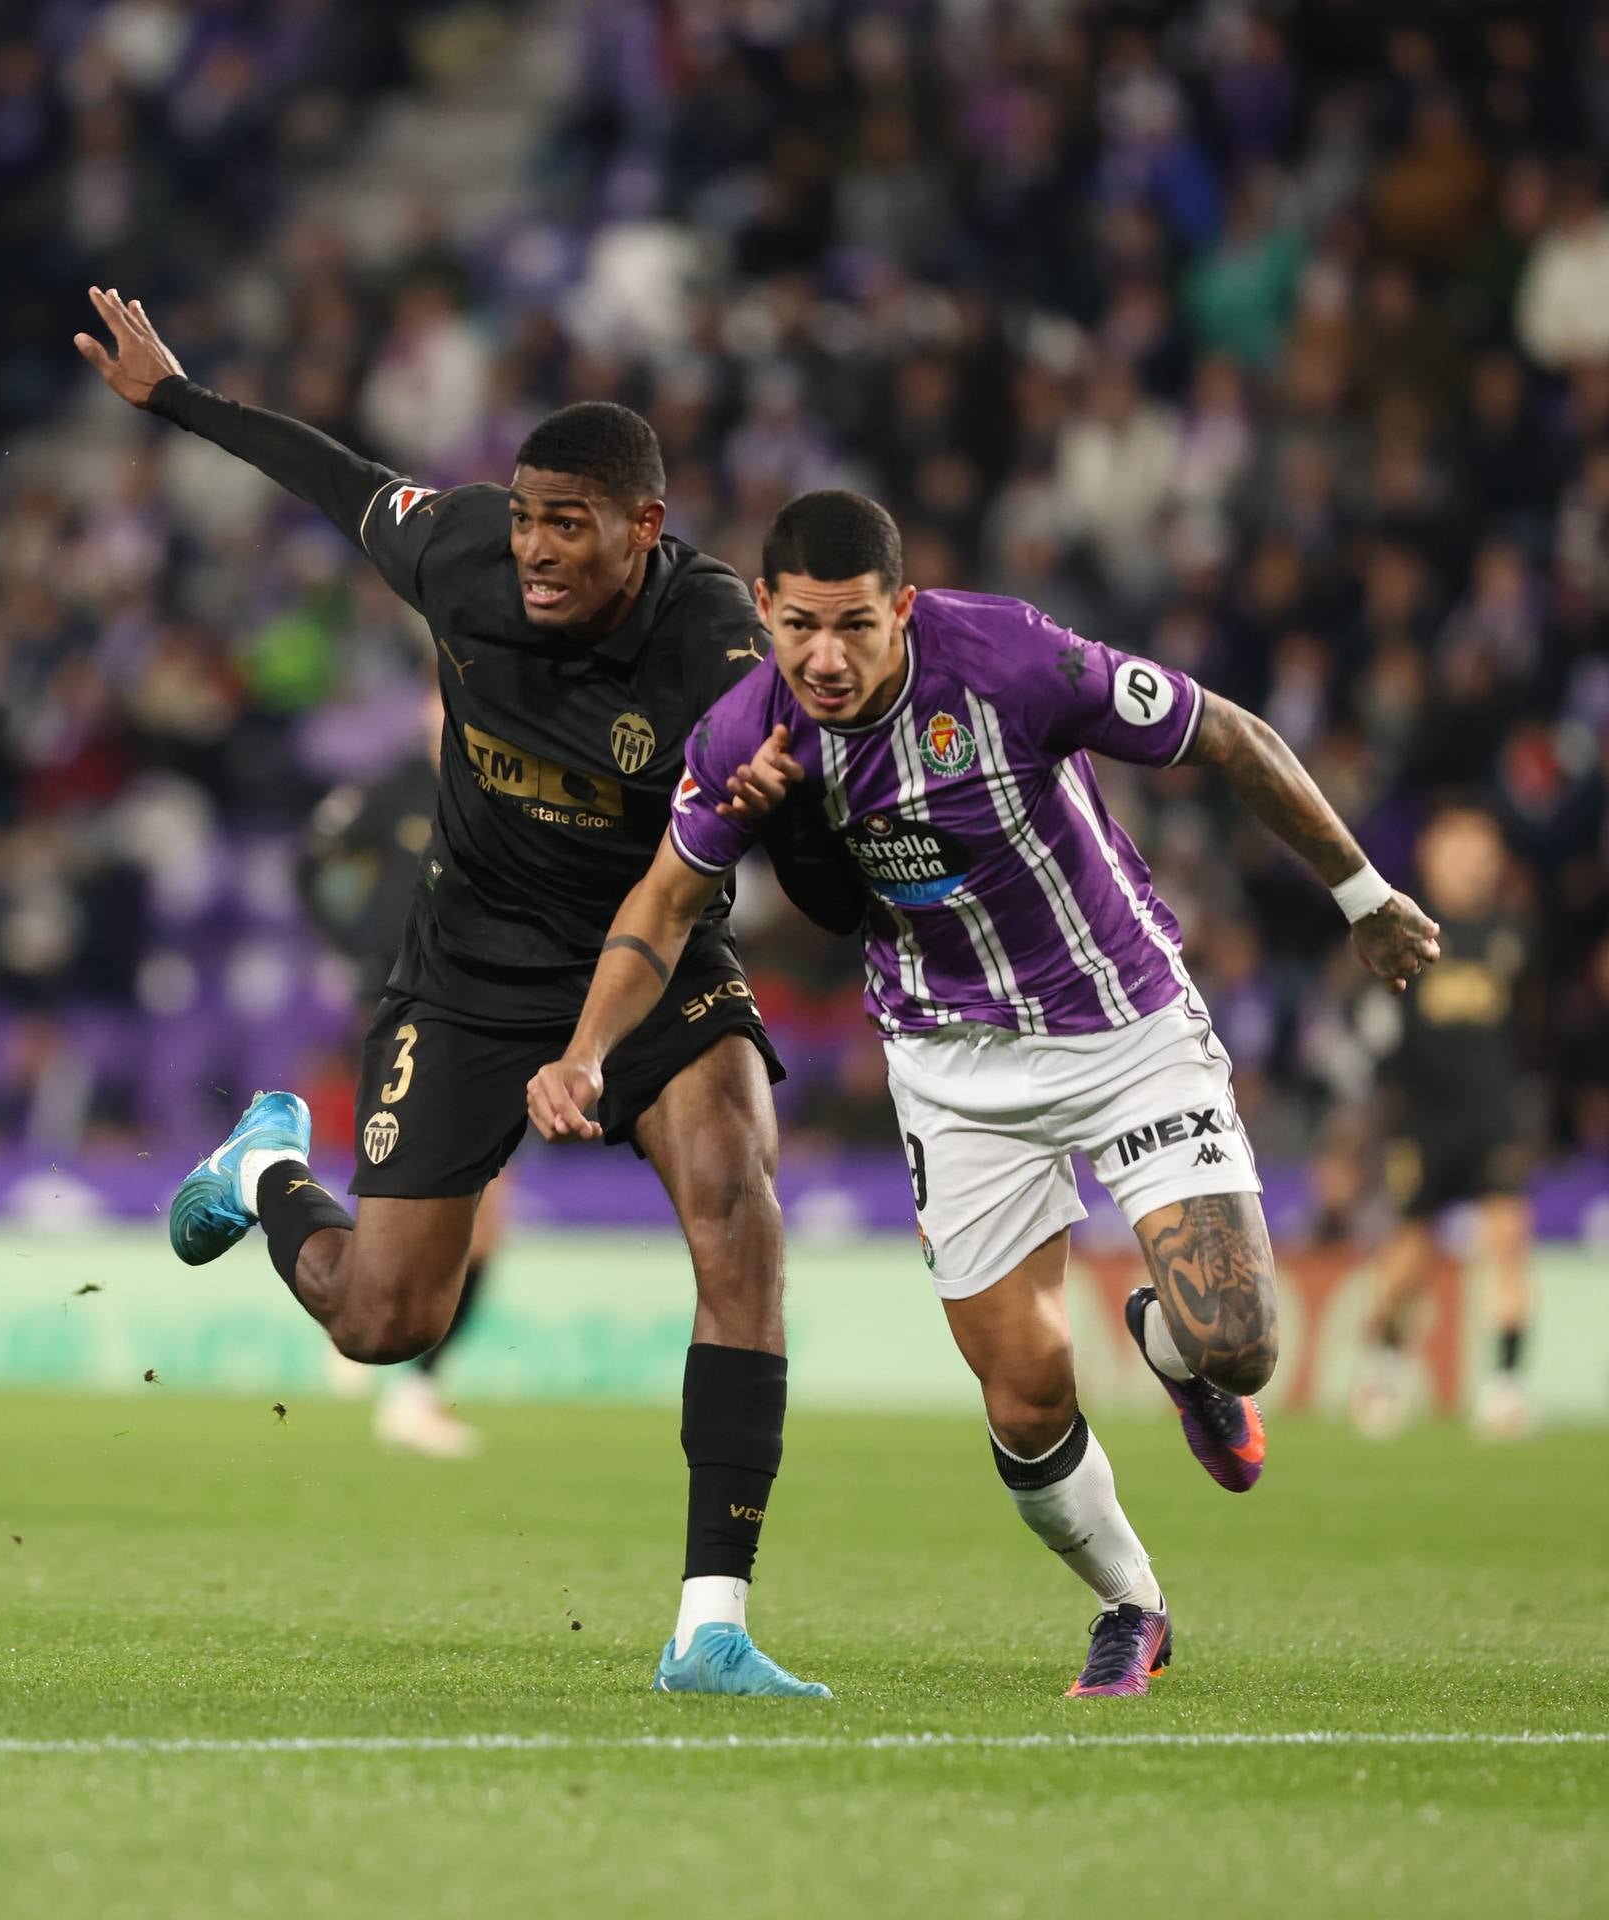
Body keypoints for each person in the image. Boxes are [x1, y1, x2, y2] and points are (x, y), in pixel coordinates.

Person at [76, 288, 866, 1697]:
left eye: (570, 521)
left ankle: (709, 1623)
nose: (536, 546)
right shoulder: (456, 556)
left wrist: (781, 807)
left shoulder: (717, 649)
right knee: (386, 1325)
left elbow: (816, 879)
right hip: (466, 972)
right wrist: (177, 399)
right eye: (525, 514)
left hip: (659, 956)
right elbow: (330, 476)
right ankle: (265, 1174)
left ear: (643, 526)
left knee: (738, 1218)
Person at [528, 491, 1441, 1698]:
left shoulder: (1012, 660)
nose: (827, 657)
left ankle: (1172, 1354)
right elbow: (662, 899)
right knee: (1022, 1398)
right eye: (800, 625)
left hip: (1121, 1023)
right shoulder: (747, 738)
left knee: (1238, 1342)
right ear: (764, 611)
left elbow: (1229, 736)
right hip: (951, 1072)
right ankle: (1133, 1606)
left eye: (856, 625)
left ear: (902, 607)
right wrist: (587, 1052)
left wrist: (1363, 897)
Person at [296, 693, 500, 1460]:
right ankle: (365, 1324)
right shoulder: (393, 789)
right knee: (402, 1166)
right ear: (424, 706)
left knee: (482, 1210)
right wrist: (356, 946)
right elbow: (308, 859)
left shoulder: (507, 787)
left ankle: (406, 1377)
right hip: (403, 1001)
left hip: (490, 1007)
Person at [1350, 802, 1537, 1440]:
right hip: (1425, 1123)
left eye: (1482, 848)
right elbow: (1379, 1030)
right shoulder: (1406, 929)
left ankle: (1505, 1389)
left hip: (1492, 1117)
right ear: (1432, 854)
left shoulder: (1513, 935)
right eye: (1459, 847)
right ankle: (1381, 1372)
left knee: (1508, 1241)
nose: (1471, 861)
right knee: (1409, 1260)